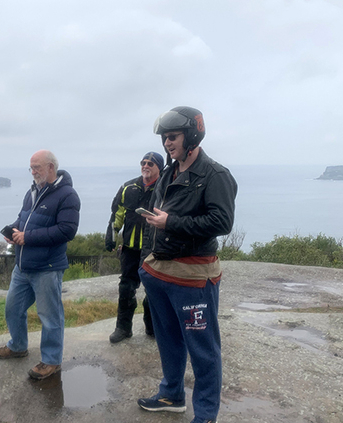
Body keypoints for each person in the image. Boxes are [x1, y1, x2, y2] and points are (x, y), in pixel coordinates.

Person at [136, 107, 237, 423]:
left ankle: (206, 415)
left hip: (193, 276)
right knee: (168, 340)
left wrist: (172, 223)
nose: (167, 143)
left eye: (173, 137)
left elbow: (222, 222)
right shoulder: (170, 170)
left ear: (191, 136)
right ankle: (171, 395)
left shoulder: (215, 175)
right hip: (161, 271)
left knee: (203, 350)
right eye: (165, 138)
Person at [0, 150, 80, 381]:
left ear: (51, 167)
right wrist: (13, 230)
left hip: (47, 267)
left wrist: (28, 237)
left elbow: (67, 231)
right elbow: (24, 219)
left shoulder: (67, 195)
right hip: (23, 266)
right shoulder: (32, 191)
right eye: (31, 168)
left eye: (37, 167)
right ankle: (18, 346)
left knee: (50, 317)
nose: (33, 172)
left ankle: (51, 361)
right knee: (13, 308)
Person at [105, 151, 164, 343]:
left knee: (153, 290)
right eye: (143, 162)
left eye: (150, 163)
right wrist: (112, 234)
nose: (145, 166)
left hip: (155, 248)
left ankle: (153, 327)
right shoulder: (128, 187)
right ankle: (123, 328)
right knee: (126, 288)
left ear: (159, 168)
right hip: (130, 247)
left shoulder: (166, 188)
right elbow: (118, 212)